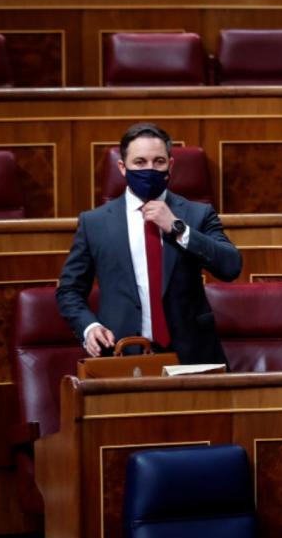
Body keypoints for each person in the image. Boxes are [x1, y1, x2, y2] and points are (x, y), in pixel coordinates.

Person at [56, 123, 242, 364]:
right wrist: (88, 326)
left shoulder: (197, 215)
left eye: (159, 162)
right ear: (122, 167)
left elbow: (231, 267)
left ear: (170, 166)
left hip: (193, 354)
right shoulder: (95, 223)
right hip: (121, 353)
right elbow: (69, 290)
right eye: (140, 162)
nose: (150, 169)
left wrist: (178, 228)